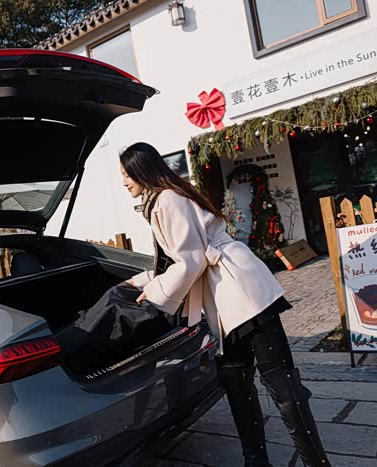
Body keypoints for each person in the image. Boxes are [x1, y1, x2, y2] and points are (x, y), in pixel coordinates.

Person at [120, 142, 330, 467]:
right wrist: (142, 281)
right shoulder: (163, 199)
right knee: (237, 384)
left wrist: (156, 289)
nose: (123, 182)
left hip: (241, 289)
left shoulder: (167, 199)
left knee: (282, 385)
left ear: (140, 170)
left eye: (125, 174)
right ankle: (255, 463)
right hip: (225, 297)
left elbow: (189, 261)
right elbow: (177, 260)